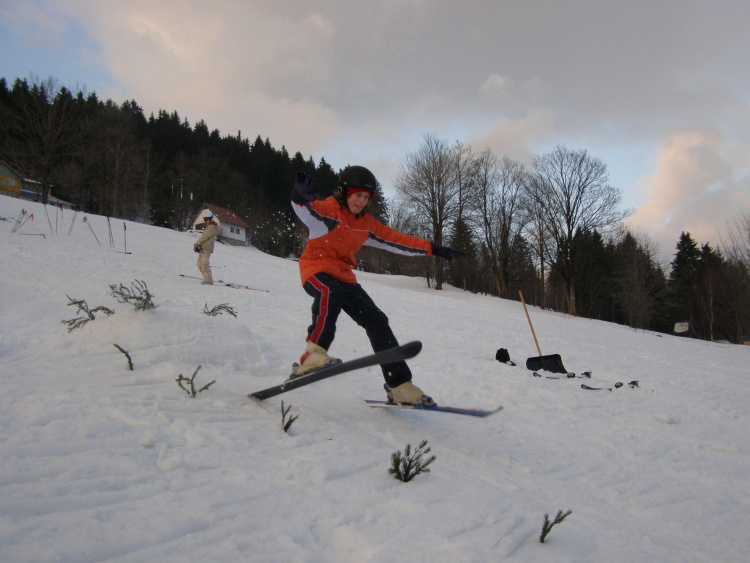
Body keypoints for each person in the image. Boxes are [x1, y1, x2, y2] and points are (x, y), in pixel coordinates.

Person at [290, 165, 464, 406]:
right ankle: (313, 353)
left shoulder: (367, 224)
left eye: (366, 197)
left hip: (344, 275)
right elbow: (306, 210)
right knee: (330, 292)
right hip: (316, 269)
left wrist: (432, 248)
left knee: (377, 320)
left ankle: (399, 385)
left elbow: (397, 240)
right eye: (357, 195)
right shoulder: (329, 211)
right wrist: (300, 197)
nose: (361, 201)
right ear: (344, 192)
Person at [193, 211, 220, 284]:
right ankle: (206, 278)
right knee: (199, 264)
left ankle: (209, 281)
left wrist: (197, 244)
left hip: (206, 248)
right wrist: (198, 245)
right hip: (203, 248)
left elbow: (204, 237)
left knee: (204, 264)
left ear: (211, 219)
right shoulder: (209, 227)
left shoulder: (212, 227)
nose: (207, 221)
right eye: (206, 219)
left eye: (208, 219)